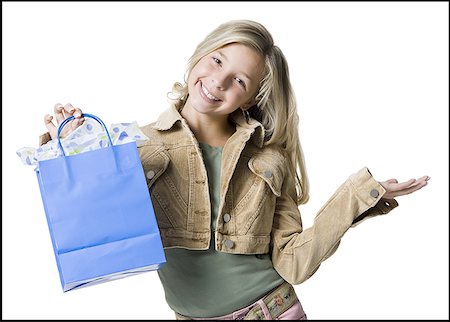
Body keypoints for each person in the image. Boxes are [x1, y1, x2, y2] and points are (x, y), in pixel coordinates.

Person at [38, 20, 429, 320]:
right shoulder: (137, 144)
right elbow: (93, 222)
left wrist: (358, 197)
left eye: (239, 80)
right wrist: (74, 144)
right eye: (217, 60)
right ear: (200, 55)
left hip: (270, 309)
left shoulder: (268, 161)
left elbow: (294, 262)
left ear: (252, 97)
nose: (218, 81)